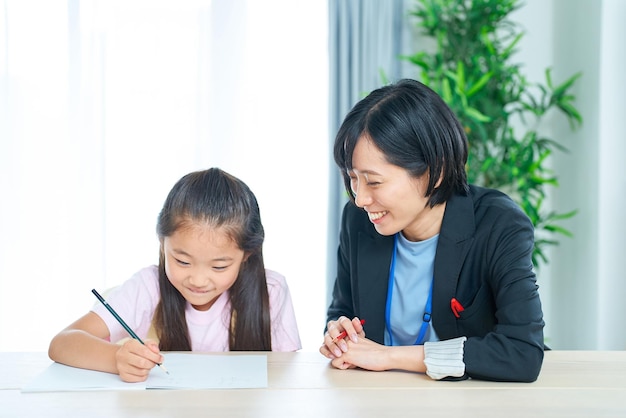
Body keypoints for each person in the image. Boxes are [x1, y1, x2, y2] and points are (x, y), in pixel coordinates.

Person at [320, 78, 545, 382]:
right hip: (377, 395)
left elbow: (522, 353)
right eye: (353, 179)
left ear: (434, 171)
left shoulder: (499, 225)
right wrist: (339, 332)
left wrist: (388, 357)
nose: (360, 199)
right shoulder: (357, 220)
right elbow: (342, 309)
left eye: (373, 181)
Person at [49, 167, 301, 382]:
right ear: (162, 242)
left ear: (247, 254)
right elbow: (62, 343)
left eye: (219, 267)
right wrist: (116, 359)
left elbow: (288, 376)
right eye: (182, 261)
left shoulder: (272, 290)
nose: (198, 280)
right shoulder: (148, 287)